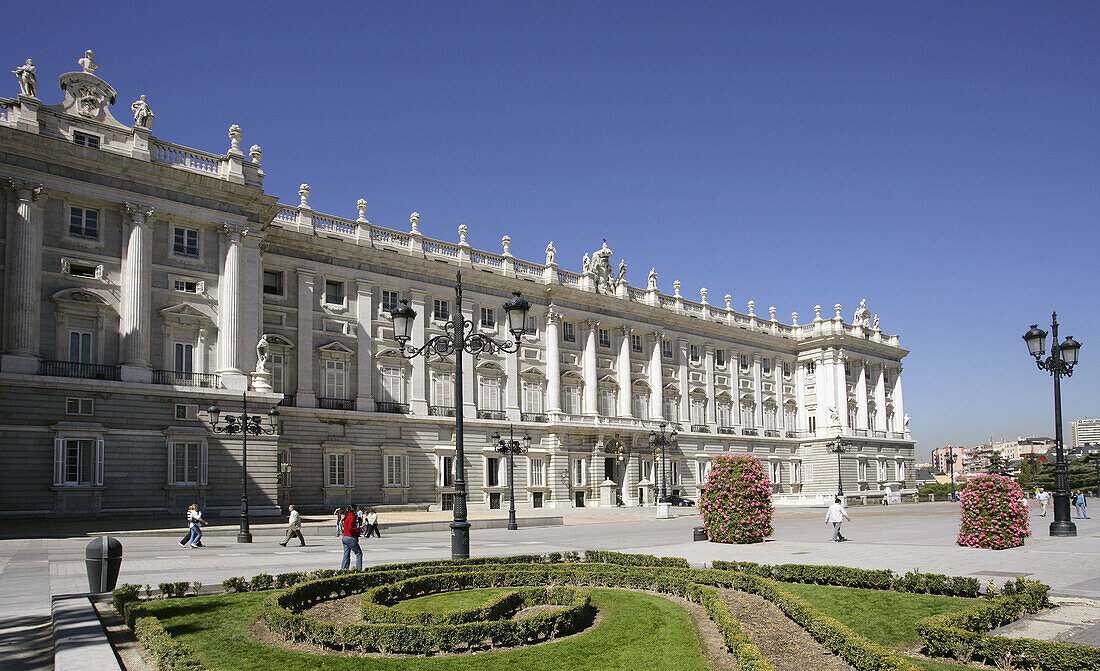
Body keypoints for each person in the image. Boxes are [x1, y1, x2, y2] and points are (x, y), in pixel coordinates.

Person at [340, 504, 363, 569]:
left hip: (345, 537)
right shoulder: (352, 517)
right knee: (359, 554)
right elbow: (350, 528)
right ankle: (358, 569)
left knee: (346, 555)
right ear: (354, 509)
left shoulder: (347, 516)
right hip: (350, 537)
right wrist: (359, 528)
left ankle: (343, 569)